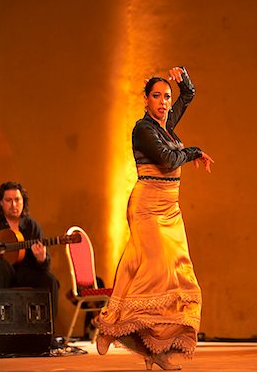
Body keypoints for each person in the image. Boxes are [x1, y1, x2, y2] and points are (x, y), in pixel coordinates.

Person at [94, 66, 214, 370]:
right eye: (157, 96)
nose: (163, 102)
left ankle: (153, 348)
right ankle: (116, 327)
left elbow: (189, 95)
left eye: (167, 97)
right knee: (155, 275)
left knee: (174, 275)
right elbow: (169, 158)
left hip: (171, 210)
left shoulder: (167, 125)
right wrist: (195, 151)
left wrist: (184, 78)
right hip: (147, 207)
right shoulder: (143, 129)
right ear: (146, 100)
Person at [0, 181, 59, 330]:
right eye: (8, 200)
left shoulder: (32, 226)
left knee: (51, 280)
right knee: (2, 266)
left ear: (23, 201)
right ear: (1, 203)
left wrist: (41, 258)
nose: (14, 205)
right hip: (1, 273)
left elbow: (46, 266)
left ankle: (47, 333)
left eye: (17, 200)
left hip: (25, 274)